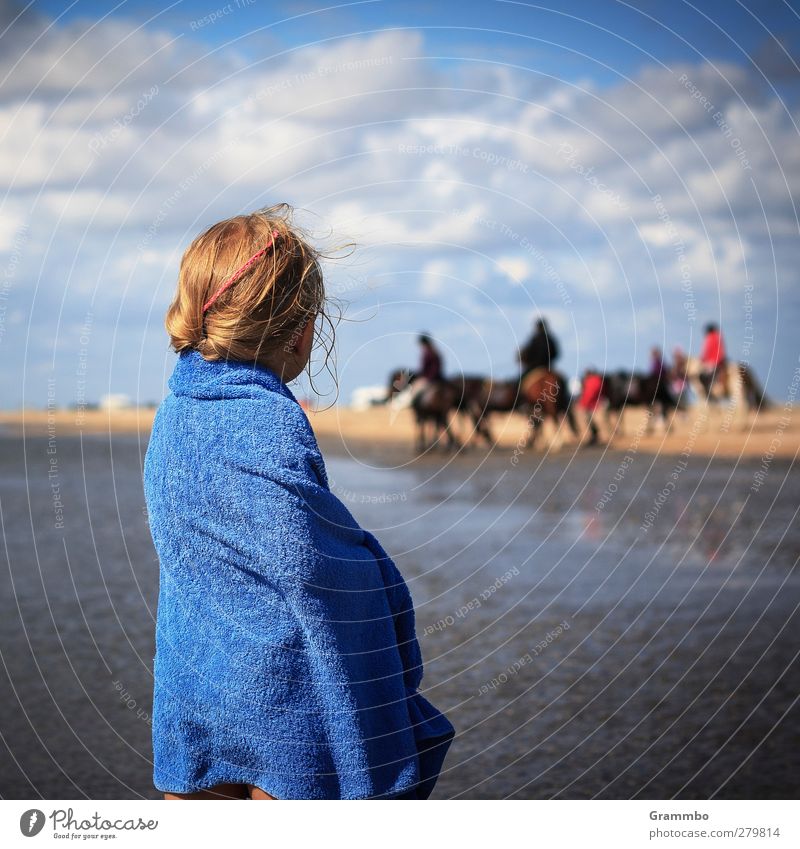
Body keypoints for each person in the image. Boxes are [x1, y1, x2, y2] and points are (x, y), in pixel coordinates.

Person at [143, 204, 454, 801]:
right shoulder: (269, 419)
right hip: (281, 696)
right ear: (302, 330)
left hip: (194, 681)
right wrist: (375, 575)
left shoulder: (174, 412)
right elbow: (310, 564)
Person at [699, 322, 727, 396]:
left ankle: (708, 394)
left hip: (713, 362)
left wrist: (702, 360)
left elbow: (705, 352)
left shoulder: (709, 338)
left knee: (702, 375)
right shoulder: (719, 336)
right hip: (721, 361)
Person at [577, 367, 604, 446]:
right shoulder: (592, 380)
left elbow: (590, 393)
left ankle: (598, 438)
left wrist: (583, 403)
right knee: (590, 422)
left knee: (595, 422)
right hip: (591, 405)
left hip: (594, 406)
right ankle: (594, 438)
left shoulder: (594, 381)